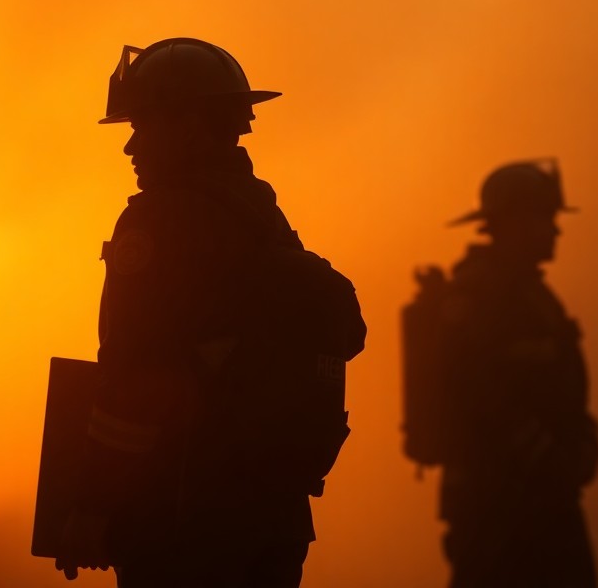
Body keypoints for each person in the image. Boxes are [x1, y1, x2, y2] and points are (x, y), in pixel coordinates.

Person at [55, 38, 366, 587]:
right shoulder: (261, 216)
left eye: (144, 125)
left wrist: (92, 507)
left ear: (191, 124)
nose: (131, 147)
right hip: (274, 521)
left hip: (181, 520)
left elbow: (132, 381)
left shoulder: (158, 225)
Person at [402, 160, 598, 588]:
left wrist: (582, 441)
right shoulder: (478, 298)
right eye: (542, 219)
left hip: (541, 495)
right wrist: (546, 454)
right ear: (506, 224)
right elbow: (475, 390)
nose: (555, 231)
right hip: (494, 502)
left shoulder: (534, 296)